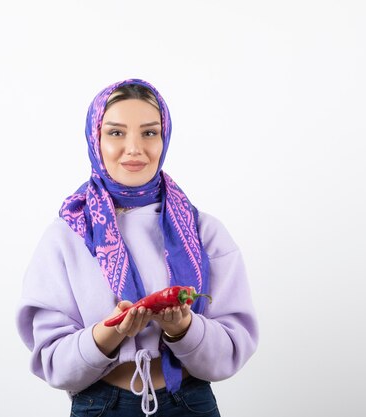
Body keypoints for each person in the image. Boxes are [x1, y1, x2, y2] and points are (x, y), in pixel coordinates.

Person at [16, 79, 259, 417]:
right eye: (116, 133)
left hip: (189, 404)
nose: (134, 148)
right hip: (102, 406)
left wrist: (183, 329)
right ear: (95, 139)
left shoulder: (204, 232)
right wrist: (107, 334)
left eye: (149, 133)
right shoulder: (66, 236)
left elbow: (233, 350)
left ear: (165, 138)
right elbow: (53, 363)